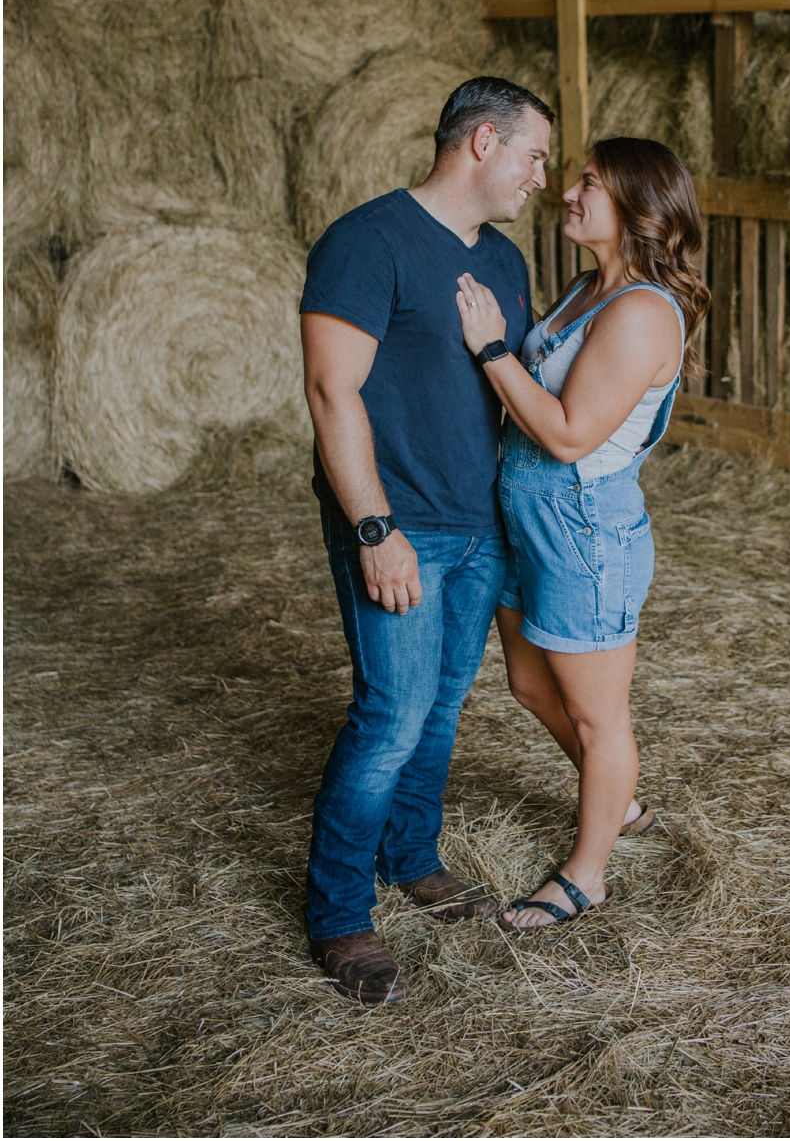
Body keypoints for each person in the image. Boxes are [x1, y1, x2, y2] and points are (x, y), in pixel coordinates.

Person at [300, 76, 552, 1003]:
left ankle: (413, 856)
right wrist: (375, 527)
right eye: (533, 156)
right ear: (483, 143)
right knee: (390, 714)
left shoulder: (508, 263)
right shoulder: (366, 243)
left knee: (441, 709)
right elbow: (333, 393)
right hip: (398, 523)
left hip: (479, 524)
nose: (539, 178)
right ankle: (337, 911)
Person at [453, 136, 708, 932]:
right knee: (530, 685)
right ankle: (617, 796)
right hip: (527, 513)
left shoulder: (639, 313)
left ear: (634, 206)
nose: (568, 191)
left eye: (588, 183)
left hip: (582, 525)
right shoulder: (587, 288)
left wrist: (491, 348)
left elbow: (566, 433)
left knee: (602, 720)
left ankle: (586, 873)